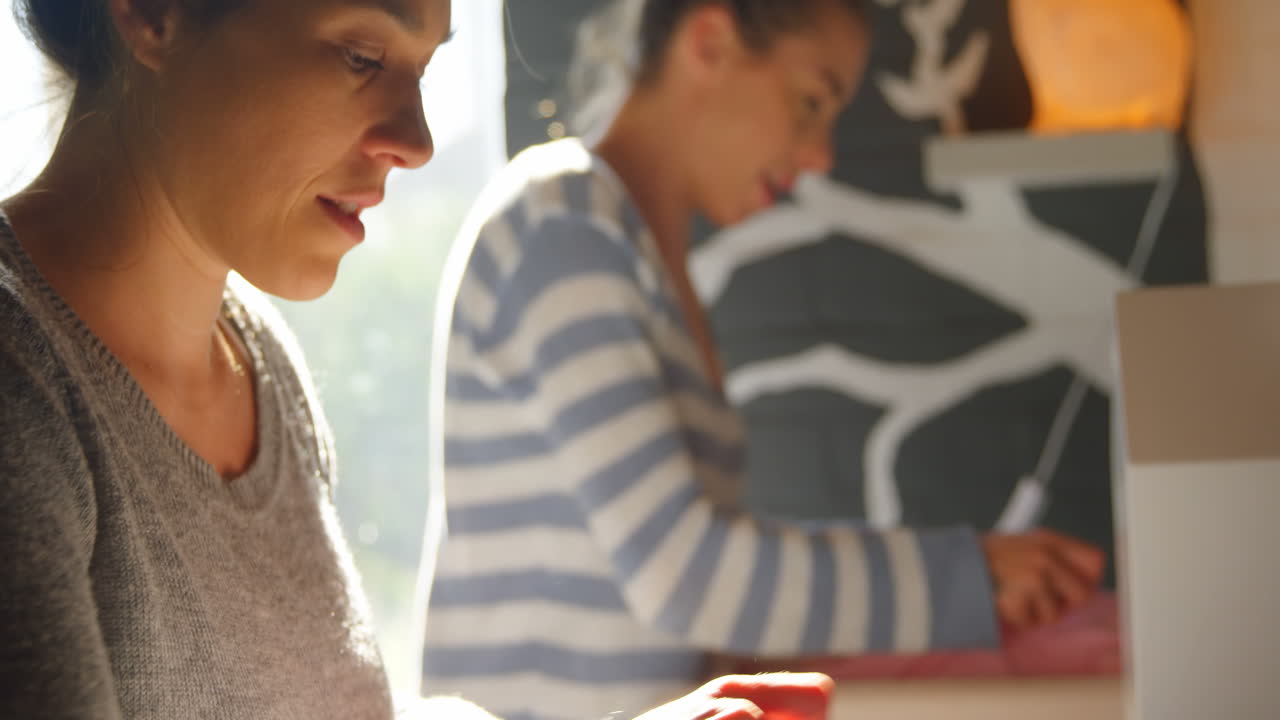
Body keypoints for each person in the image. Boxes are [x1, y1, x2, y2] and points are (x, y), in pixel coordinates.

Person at [0, 0, 832, 717]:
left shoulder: (259, 364)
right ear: (151, 11)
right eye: (363, 57)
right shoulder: (20, 382)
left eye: (424, 72)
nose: (419, 140)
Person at [419, 0, 1108, 718]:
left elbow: (673, 594)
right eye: (811, 101)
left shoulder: (635, 252)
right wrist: (963, 579)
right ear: (710, 42)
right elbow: (685, 572)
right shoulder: (562, 230)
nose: (820, 156)